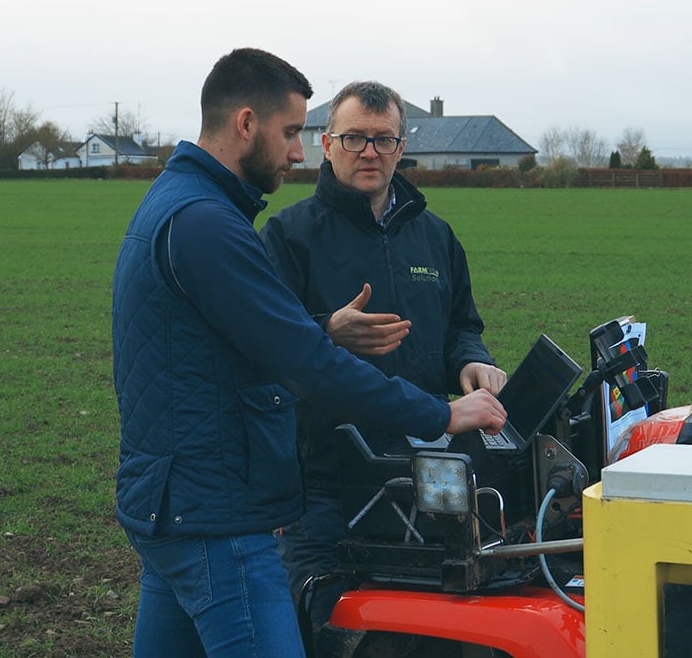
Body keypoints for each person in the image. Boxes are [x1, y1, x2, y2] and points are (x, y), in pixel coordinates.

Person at [111, 50, 506, 658]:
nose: (298, 151)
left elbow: (254, 339)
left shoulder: (179, 203)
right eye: (295, 132)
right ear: (247, 124)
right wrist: (444, 414)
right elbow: (301, 359)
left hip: (175, 505)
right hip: (220, 510)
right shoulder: (209, 223)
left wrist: (460, 360)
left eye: (383, 140)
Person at [260, 80, 507, 632]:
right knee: (314, 617)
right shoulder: (288, 236)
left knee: (422, 623)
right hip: (320, 477)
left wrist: (469, 360)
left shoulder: (436, 237)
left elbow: (461, 326)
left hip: (424, 469)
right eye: (354, 138)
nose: (369, 152)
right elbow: (263, 347)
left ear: (401, 146)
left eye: (382, 139)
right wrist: (327, 330)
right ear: (327, 144)